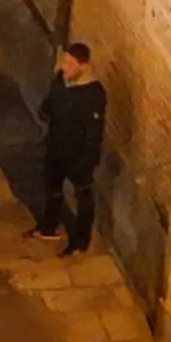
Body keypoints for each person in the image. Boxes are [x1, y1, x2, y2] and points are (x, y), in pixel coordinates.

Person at [35, 40, 106, 253]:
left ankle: (81, 242)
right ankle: (48, 227)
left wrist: (87, 161)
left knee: (83, 196)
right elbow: (50, 101)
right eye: (65, 61)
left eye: (71, 64)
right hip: (56, 147)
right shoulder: (61, 80)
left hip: (77, 155)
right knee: (52, 188)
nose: (65, 67)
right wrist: (45, 111)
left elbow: (94, 133)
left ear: (84, 67)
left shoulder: (93, 94)